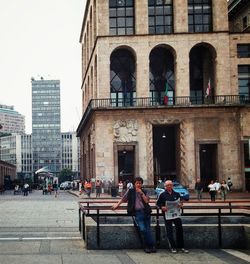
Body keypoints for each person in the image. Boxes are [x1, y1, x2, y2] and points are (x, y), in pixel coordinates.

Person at [112, 177, 156, 253]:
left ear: (142, 184)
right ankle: (148, 245)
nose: (138, 185)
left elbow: (147, 201)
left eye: (140, 183)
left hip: (146, 212)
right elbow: (123, 199)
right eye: (137, 183)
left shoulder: (145, 191)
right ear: (134, 184)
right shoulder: (130, 191)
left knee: (148, 230)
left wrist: (141, 193)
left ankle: (150, 246)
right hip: (138, 213)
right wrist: (117, 205)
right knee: (143, 229)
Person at [156, 180, 189, 254]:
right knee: (169, 231)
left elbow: (180, 202)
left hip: (176, 214)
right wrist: (162, 207)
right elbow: (157, 204)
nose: (169, 186)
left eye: (170, 185)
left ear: (172, 186)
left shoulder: (177, 194)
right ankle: (173, 247)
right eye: (167, 185)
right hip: (167, 215)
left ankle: (181, 247)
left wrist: (180, 205)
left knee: (179, 230)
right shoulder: (162, 194)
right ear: (165, 186)